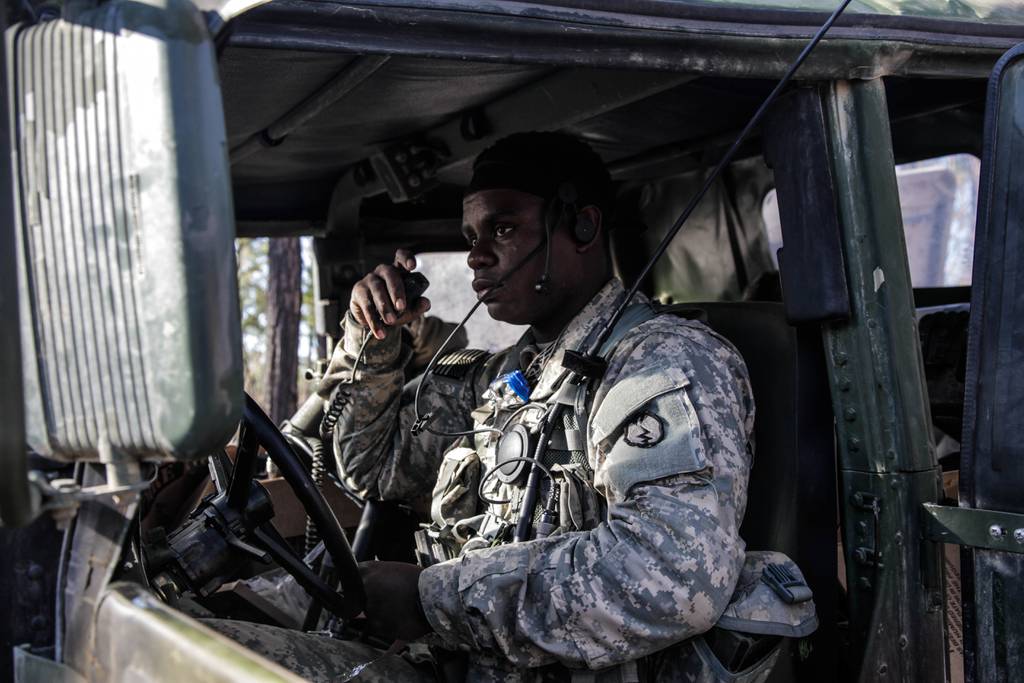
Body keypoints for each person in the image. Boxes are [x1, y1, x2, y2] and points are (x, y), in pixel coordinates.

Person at [312, 132, 813, 681]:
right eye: (470, 235)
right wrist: (373, 340)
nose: (476, 255)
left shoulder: (664, 363)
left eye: (503, 229)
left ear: (583, 227)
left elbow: (671, 578)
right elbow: (375, 469)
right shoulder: (508, 374)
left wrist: (433, 600)